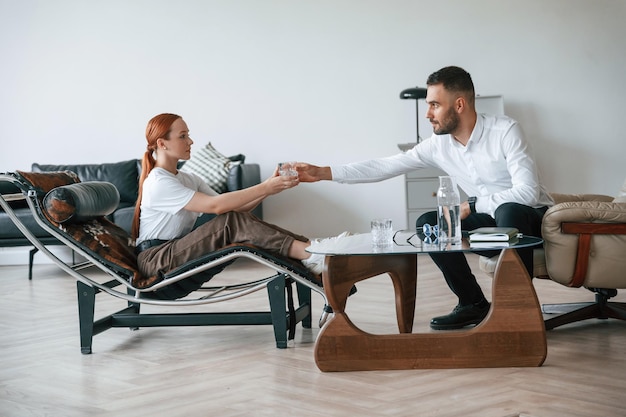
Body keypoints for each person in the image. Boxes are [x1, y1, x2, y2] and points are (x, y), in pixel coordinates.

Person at [296, 66, 553, 330]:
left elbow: (528, 192)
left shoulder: (506, 131)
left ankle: (519, 313)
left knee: (508, 210)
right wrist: (323, 173)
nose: (428, 114)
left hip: (529, 221)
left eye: (434, 105)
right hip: (490, 225)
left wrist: (472, 205)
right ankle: (472, 303)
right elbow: (385, 166)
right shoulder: (438, 145)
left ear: (460, 104)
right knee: (430, 223)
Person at [131, 113, 341, 282]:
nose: (191, 141)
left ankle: (312, 248)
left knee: (233, 220)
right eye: (183, 136)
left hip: (173, 250)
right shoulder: (158, 182)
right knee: (226, 222)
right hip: (156, 259)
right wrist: (264, 187)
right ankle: (309, 251)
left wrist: (269, 187)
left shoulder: (188, 178)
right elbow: (215, 206)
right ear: (162, 143)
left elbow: (236, 211)